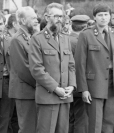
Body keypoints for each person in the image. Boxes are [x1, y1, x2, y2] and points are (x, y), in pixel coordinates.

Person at [75, 4, 114, 133]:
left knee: (109, 123)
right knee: (95, 123)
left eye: (106, 15)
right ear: (94, 17)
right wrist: (84, 89)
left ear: (110, 16)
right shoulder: (86, 35)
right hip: (94, 85)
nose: (103, 18)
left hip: (113, 84)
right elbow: (79, 64)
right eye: (100, 15)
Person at [29, 3, 76, 133]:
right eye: (56, 16)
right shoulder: (37, 39)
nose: (59, 19)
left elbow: (71, 65)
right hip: (48, 96)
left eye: (61, 16)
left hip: (65, 95)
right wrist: (55, 88)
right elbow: (36, 69)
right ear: (46, 17)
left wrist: (71, 86)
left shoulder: (65, 38)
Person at [8, 6, 38, 133]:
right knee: (27, 128)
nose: (37, 20)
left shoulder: (30, 36)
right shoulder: (17, 39)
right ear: (23, 21)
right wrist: (42, 84)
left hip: (31, 90)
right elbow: (23, 69)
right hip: (25, 91)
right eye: (33, 18)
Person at [69, 14, 90, 133]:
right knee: (81, 120)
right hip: (80, 85)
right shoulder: (80, 42)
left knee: (70, 118)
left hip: (67, 86)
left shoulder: (65, 38)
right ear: (85, 27)